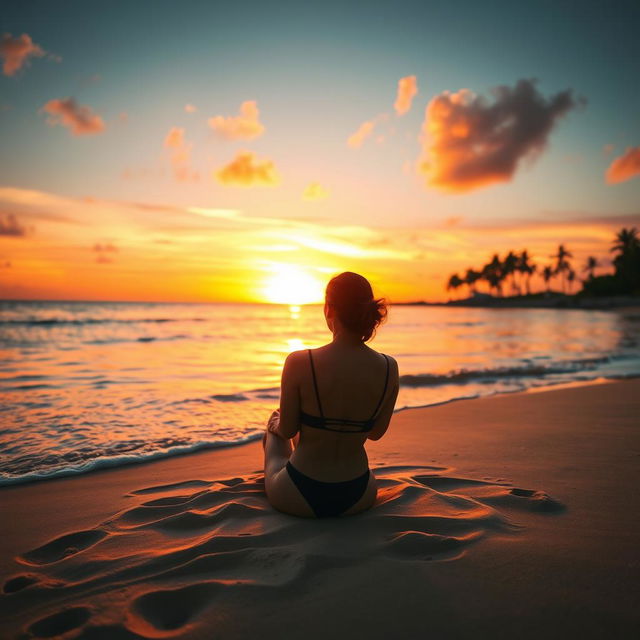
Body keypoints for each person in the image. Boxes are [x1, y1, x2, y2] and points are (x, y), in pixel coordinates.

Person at [263, 271, 399, 517]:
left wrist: (275, 425)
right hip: (358, 493)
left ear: (329, 309)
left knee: (276, 426)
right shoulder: (389, 367)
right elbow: (377, 433)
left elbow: (288, 430)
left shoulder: (299, 361)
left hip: (298, 492)